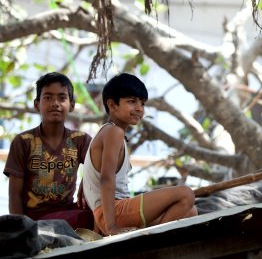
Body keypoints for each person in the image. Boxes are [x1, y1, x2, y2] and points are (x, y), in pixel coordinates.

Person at [82, 73, 197, 236]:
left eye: (142, 103)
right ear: (112, 105)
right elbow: (106, 179)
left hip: (112, 213)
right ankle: (151, 244)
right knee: (186, 194)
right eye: (131, 101)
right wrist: (111, 227)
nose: (139, 108)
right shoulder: (113, 132)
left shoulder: (111, 132)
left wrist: (99, 228)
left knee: (190, 212)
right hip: (115, 213)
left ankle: (149, 236)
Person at [4, 72, 94, 230]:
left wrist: (86, 181)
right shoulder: (23, 142)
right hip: (34, 220)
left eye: (62, 98)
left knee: (100, 211)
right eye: (48, 97)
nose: (55, 103)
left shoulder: (81, 140)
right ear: (37, 104)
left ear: (72, 105)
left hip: (68, 213)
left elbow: (101, 172)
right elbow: (14, 194)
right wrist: (20, 231)